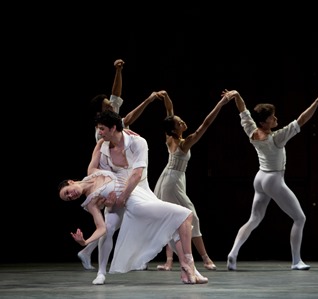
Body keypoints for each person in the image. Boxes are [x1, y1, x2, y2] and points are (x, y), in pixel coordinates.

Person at [222, 88, 318, 271]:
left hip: (260, 178)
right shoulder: (276, 138)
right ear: (264, 122)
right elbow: (302, 119)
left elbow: (243, 110)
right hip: (273, 180)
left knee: (254, 218)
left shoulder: (252, 131)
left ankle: (233, 252)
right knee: (300, 218)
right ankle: (296, 261)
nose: (276, 119)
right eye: (272, 117)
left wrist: (238, 96)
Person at [58, 169, 209, 285]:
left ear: (71, 182)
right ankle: (101, 272)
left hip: (137, 191)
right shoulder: (90, 202)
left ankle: (189, 271)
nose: (71, 196)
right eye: (68, 199)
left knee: (176, 224)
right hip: (129, 204)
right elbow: (101, 228)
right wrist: (85, 242)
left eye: (67, 193)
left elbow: (102, 142)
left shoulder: (93, 172)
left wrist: (121, 128)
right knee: (183, 215)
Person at [79, 59, 155, 270]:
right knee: (112, 223)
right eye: (107, 105)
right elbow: (127, 117)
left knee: (116, 222)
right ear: (100, 114)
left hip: (122, 172)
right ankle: (127, 259)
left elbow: (116, 95)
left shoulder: (111, 119)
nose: (111, 105)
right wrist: (147, 102)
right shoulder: (103, 130)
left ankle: (89, 252)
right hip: (111, 175)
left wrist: (119, 71)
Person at [154, 90, 230, 271]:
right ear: (174, 129)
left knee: (172, 219)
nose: (182, 122)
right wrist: (221, 103)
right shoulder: (183, 142)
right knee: (191, 217)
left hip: (173, 178)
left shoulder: (171, 138)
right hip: (172, 181)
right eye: (179, 122)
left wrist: (166, 97)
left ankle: (171, 261)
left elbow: (170, 112)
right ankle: (205, 258)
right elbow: (206, 124)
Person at [82, 106, 159, 285]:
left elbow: (138, 174)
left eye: (102, 129)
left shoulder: (136, 141)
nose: (99, 132)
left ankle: (189, 266)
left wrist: (124, 194)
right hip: (116, 190)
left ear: (114, 128)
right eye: (98, 129)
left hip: (139, 188)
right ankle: (101, 272)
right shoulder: (102, 145)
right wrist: (111, 188)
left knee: (166, 219)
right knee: (107, 229)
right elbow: (92, 170)